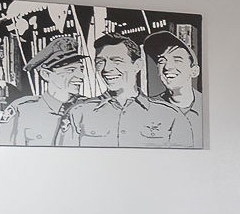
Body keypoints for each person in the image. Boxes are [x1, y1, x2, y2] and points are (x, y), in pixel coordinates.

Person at [59, 34, 193, 147]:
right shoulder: (78, 113)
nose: (106, 69)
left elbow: (185, 165)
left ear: (137, 65)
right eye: (100, 62)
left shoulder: (170, 115)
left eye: (116, 61)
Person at [0, 34, 87, 146]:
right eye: (70, 70)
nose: (81, 76)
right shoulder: (22, 110)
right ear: (46, 74)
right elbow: (3, 150)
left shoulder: (90, 108)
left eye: (81, 69)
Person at [144, 30, 204, 145]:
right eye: (162, 61)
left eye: (177, 60)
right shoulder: (148, 108)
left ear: (194, 71)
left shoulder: (208, 107)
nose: (168, 67)